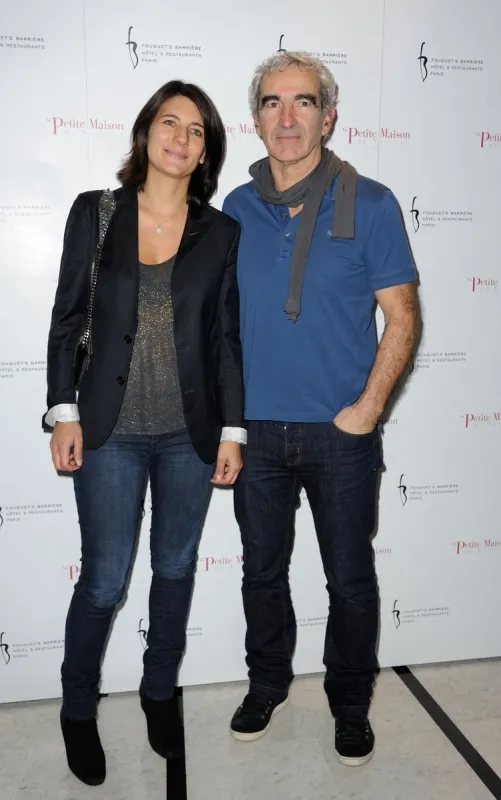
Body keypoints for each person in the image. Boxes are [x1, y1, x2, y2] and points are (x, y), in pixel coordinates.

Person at [44, 80, 245, 786]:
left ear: (205, 152)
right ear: (146, 132)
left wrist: (232, 430)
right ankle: (76, 708)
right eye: (170, 122)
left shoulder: (220, 233)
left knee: (175, 568)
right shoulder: (96, 214)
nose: (181, 138)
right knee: (102, 582)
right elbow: (67, 319)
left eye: (196, 131)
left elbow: (225, 339)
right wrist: (62, 411)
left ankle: (159, 693)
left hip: (188, 434)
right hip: (109, 433)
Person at [223, 52, 418, 766]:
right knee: (260, 574)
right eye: (272, 103)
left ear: (327, 116)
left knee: (349, 578)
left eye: (303, 102)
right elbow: (221, 327)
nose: (287, 117)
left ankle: (348, 701)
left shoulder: (371, 203)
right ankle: (267, 683)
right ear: (256, 119)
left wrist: (366, 410)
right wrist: (228, 422)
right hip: (256, 434)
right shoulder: (235, 208)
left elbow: (402, 316)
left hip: (342, 434)